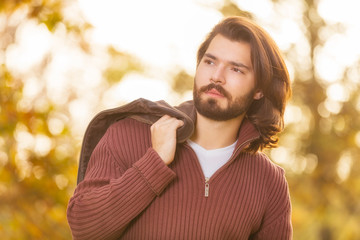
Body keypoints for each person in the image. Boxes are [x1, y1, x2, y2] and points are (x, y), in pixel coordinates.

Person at [67, 16, 292, 239]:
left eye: (236, 69)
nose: (216, 76)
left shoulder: (269, 182)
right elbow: (83, 228)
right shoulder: (129, 133)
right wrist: (152, 164)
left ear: (259, 90)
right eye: (210, 61)